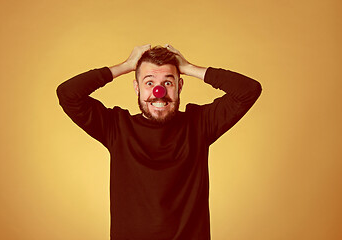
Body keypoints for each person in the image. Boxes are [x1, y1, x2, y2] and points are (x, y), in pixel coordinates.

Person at [56, 44, 262, 240]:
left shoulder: (199, 124)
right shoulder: (117, 128)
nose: (159, 92)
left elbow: (248, 90)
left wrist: (189, 68)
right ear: (137, 88)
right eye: (149, 82)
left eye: (168, 82)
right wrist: (126, 66)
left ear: (179, 86)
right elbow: (68, 94)